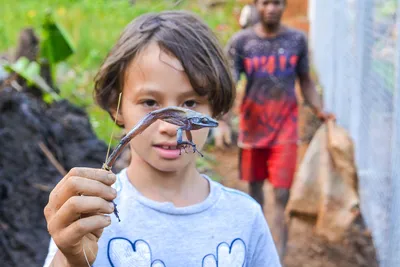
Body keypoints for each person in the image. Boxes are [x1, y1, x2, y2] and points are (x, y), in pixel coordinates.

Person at [42, 11, 282, 267]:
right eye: (149, 102)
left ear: (216, 108)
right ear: (117, 107)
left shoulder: (245, 218)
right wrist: (71, 259)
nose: (168, 127)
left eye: (190, 103)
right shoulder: (89, 213)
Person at [216, 0, 334, 260]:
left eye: (277, 3)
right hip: (252, 129)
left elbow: (306, 81)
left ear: (284, 6)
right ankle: (257, 249)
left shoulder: (296, 40)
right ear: (256, 5)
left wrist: (319, 109)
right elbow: (230, 83)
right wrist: (222, 120)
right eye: (265, 3)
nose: (271, 8)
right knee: (255, 192)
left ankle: (278, 256)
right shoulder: (242, 42)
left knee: (282, 193)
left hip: (285, 128)